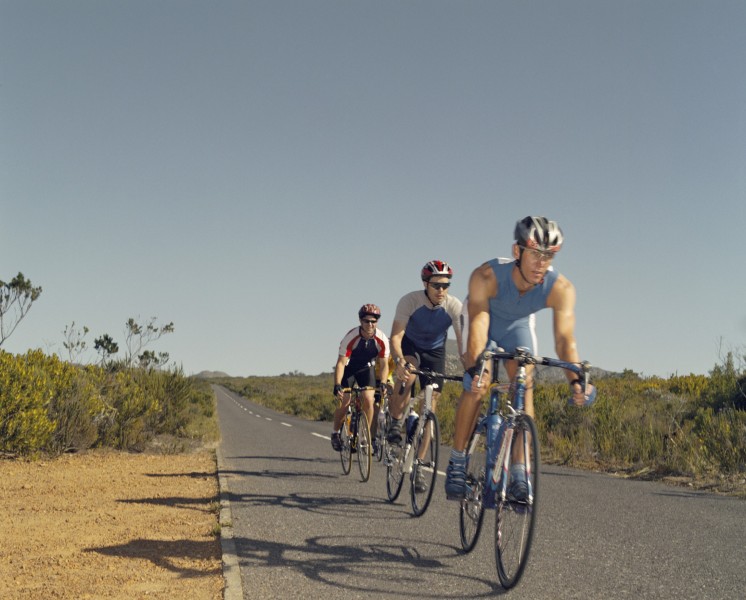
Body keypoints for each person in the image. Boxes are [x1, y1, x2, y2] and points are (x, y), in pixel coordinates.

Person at [444, 216, 596, 501]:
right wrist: (476, 366)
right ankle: (457, 462)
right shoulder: (486, 275)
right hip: (482, 317)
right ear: (517, 252)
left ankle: (518, 471)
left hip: (518, 327)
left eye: (549, 255)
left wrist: (577, 379)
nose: (542, 262)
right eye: (535, 253)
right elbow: (477, 323)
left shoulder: (560, 288)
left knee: (524, 385)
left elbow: (565, 340)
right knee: (479, 382)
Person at [388, 260, 465, 491]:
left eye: (446, 285)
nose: (441, 290)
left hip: (435, 351)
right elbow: (395, 337)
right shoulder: (410, 301)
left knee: (431, 407)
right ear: (425, 284)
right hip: (410, 346)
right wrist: (400, 361)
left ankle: (419, 465)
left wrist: (471, 368)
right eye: (436, 285)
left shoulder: (454, 306)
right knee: (409, 374)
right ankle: (395, 421)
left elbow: (462, 346)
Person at [331, 304, 390, 451]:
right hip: (349, 368)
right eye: (366, 321)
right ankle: (335, 433)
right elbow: (340, 363)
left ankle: (364, 436)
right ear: (360, 321)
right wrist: (337, 384)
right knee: (345, 401)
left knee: (369, 399)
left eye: (373, 321)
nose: (370, 324)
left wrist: (383, 382)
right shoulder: (351, 337)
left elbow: (384, 365)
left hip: (366, 368)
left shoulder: (382, 339)